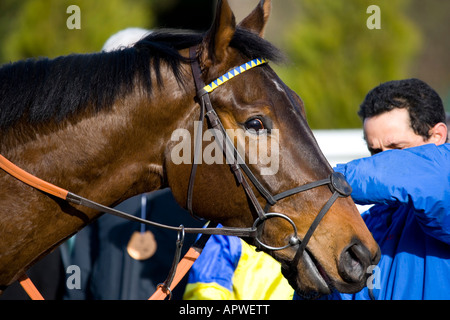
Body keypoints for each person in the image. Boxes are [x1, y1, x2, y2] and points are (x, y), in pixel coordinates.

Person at [297, 78, 450, 300]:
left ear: (437, 137)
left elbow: (432, 176)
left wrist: (318, 182)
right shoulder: (366, 227)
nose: (382, 161)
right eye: (375, 152)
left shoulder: (444, 187)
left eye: (396, 149)